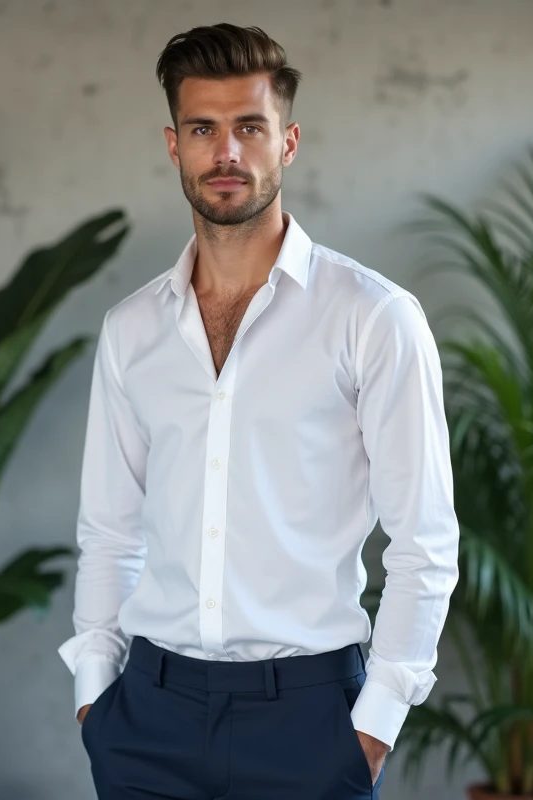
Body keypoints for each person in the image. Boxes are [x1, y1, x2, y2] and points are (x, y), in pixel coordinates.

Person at [57, 22, 460, 800]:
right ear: (174, 145)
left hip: (310, 721)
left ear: (290, 141)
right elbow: (110, 532)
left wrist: (370, 730)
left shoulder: (372, 318)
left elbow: (424, 539)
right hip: (148, 717)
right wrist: (96, 700)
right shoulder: (131, 331)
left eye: (250, 127)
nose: (227, 153)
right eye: (203, 129)